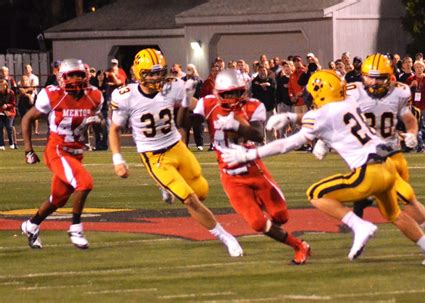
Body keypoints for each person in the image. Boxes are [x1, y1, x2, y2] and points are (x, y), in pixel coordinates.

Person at [222, 70, 425, 266]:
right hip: (388, 166)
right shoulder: (349, 103)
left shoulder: (322, 114)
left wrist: (250, 153)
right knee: (395, 214)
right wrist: (291, 116)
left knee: (316, 193)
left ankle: (359, 226)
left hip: (369, 172)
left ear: (320, 93)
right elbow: (324, 117)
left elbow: (287, 143)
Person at [108, 48, 243, 257]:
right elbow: (114, 129)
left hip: (177, 146)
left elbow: (195, 105)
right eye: (149, 73)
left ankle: (168, 189)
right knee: (189, 199)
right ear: (137, 74)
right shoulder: (125, 96)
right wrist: (118, 159)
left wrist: (219, 112)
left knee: (201, 192)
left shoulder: (172, 86)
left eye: (158, 72)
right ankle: (225, 236)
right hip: (154, 156)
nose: (155, 77)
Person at [193, 69, 310, 264]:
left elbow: (257, 135)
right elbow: (189, 122)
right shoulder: (208, 104)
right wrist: (181, 101)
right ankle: (299, 245)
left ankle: (276, 225)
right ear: (218, 93)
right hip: (231, 176)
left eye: (236, 93)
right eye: (227, 94)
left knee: (280, 216)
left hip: (253, 168)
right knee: (257, 223)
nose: (232, 98)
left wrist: (237, 125)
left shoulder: (253, 106)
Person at [20, 58, 103, 249]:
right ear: (61, 78)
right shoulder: (52, 95)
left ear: (86, 76)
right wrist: (28, 150)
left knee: (58, 198)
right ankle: (75, 227)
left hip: (76, 153)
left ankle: (31, 225)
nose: (75, 79)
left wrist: (98, 122)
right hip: (57, 149)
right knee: (85, 182)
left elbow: (97, 119)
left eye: (79, 75)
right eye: (70, 75)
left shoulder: (94, 96)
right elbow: (26, 119)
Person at [406, 60, 425, 152]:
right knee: (416, 127)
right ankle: (419, 145)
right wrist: (411, 85)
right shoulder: (411, 79)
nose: (419, 69)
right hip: (415, 106)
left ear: (424, 68)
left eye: (420, 67)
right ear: (414, 68)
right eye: (417, 67)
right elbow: (405, 91)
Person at [0, 77, 16, 150]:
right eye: (0, 85)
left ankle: (11, 143)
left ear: (6, 85)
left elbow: (13, 103)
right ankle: (1, 144)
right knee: (0, 127)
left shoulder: (11, 92)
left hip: (10, 112)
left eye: (3, 85)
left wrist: (7, 106)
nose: (2, 87)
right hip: (1, 112)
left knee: (9, 127)